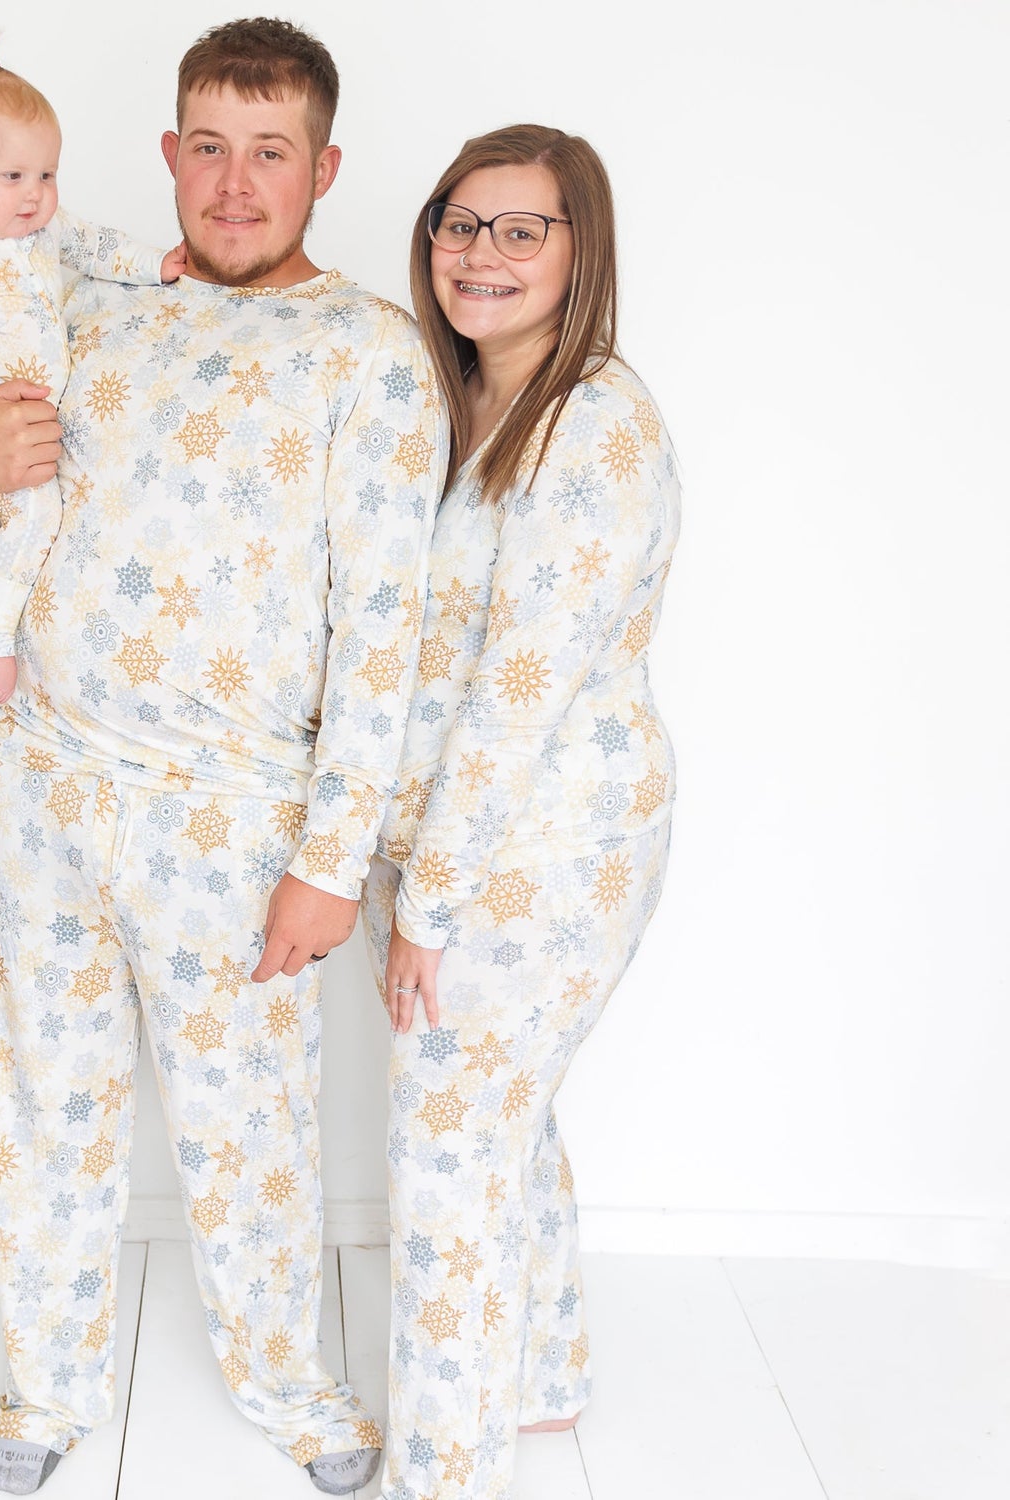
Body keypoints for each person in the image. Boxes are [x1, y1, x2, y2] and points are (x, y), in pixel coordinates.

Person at [0, 18, 447, 1497]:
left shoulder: (370, 357)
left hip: (231, 822)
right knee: (46, 1099)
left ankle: (288, 1383)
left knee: (246, 1128)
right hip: (44, 787)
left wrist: (331, 862)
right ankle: (48, 1380)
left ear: (323, 168)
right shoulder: (95, 308)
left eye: (269, 152)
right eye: (207, 146)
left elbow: (385, 633)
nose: (233, 183)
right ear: (168, 152)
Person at [364, 125, 679, 1498]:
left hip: (538, 850)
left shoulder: (591, 429)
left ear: (578, 249)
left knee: (447, 1156)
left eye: (521, 229)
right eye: (460, 222)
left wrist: (427, 906)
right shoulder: (470, 405)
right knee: (501, 1118)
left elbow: (516, 697)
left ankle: (442, 1468)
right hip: (470, 840)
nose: (480, 254)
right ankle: (541, 1381)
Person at [0, 39, 184, 709]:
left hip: (39, 424)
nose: (36, 194)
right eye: (14, 176)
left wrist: (156, 266)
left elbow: (98, 246)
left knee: (54, 510)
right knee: (36, 515)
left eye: (48, 175)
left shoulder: (44, 232)